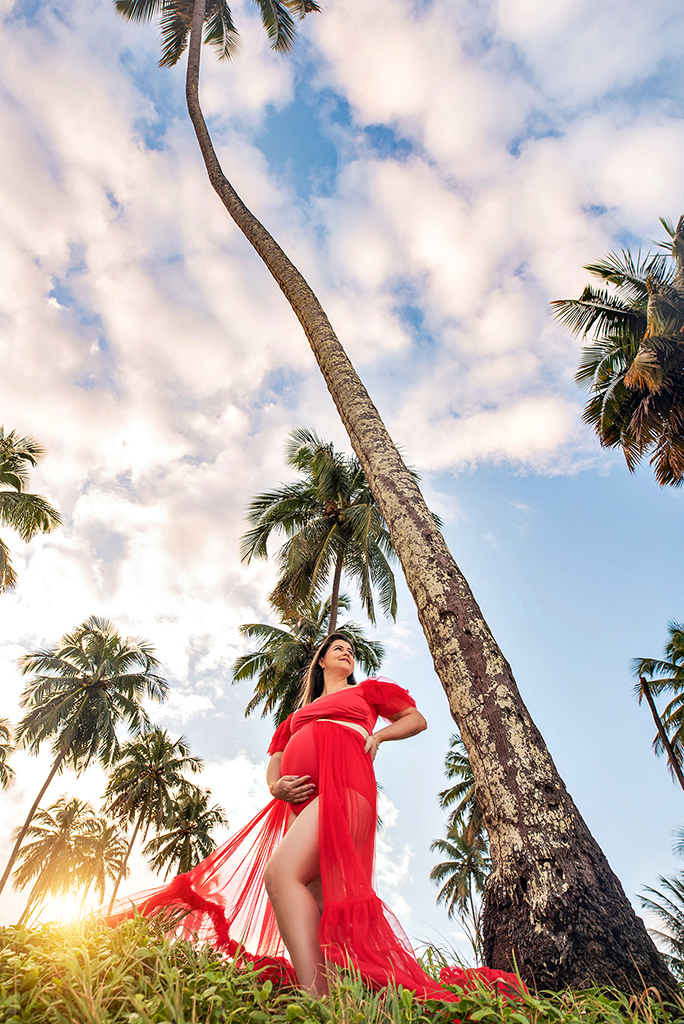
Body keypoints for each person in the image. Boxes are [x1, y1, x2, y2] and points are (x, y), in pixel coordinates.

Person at [106, 632, 523, 1002]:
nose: (347, 653)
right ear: (321, 660)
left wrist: (376, 735)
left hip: (346, 789)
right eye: (338, 648)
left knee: (280, 875)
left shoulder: (367, 692)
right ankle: (346, 996)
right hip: (302, 806)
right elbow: (274, 763)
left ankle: (316, 999)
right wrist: (277, 787)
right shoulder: (292, 719)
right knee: (319, 902)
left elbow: (416, 719)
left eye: (351, 651)